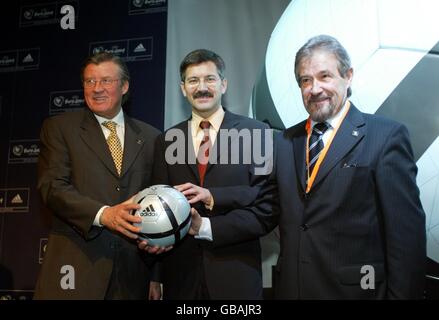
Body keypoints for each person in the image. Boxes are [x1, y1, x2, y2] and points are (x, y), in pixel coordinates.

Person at [262, 34, 426, 299]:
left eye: (325, 76)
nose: (315, 89)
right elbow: (266, 210)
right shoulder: (284, 141)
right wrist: (208, 218)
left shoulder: (385, 137)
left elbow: (405, 238)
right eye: (306, 80)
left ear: (347, 76)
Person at [147, 49, 273, 299]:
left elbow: (265, 206)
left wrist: (210, 205)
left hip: (236, 276)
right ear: (183, 88)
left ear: (223, 84)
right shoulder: (167, 140)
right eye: (193, 80)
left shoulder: (257, 133)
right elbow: (158, 210)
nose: (201, 87)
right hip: (180, 280)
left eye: (210, 79)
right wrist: (155, 276)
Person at [34, 52, 161, 299]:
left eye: (106, 81)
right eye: (89, 81)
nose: (96, 89)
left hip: (132, 277)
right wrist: (104, 215)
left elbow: (159, 204)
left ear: (124, 86)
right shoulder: (60, 128)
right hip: (74, 271)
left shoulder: (152, 137)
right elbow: (53, 187)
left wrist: (156, 275)